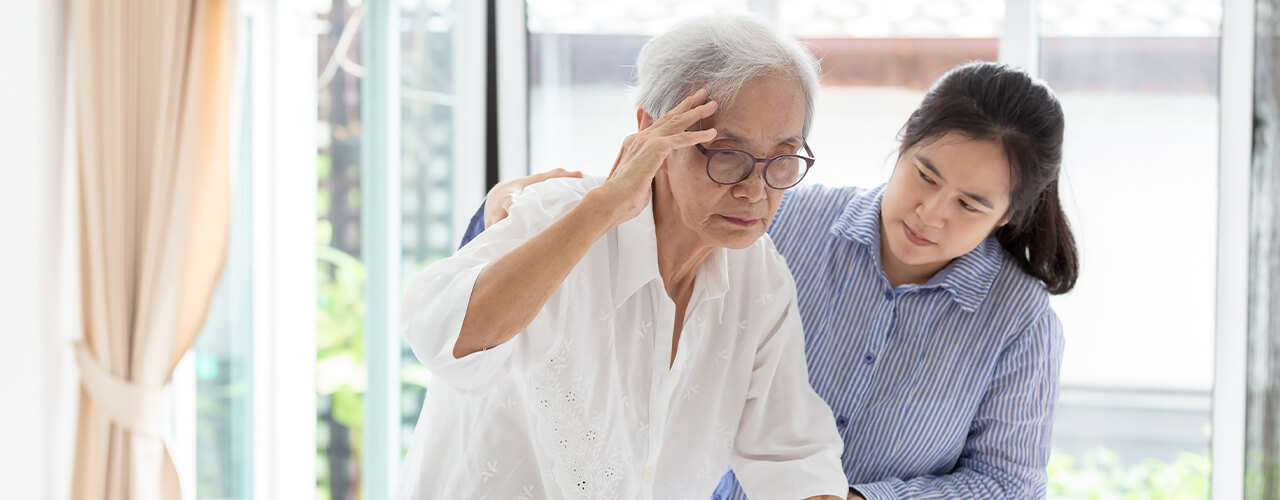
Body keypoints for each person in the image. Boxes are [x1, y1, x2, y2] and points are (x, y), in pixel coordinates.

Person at [472, 61, 1078, 499]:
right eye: (924, 175)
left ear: (1011, 214)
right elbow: (655, 212)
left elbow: (1007, 484)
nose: (932, 212)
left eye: (970, 205)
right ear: (901, 147)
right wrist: (524, 205)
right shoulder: (782, 220)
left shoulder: (1019, 321)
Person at [395, 16, 851, 500]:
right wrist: (604, 208)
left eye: (783, 158)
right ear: (651, 130)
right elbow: (443, 336)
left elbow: (790, 454)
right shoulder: (560, 211)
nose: (755, 190)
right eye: (726, 154)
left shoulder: (758, 273)